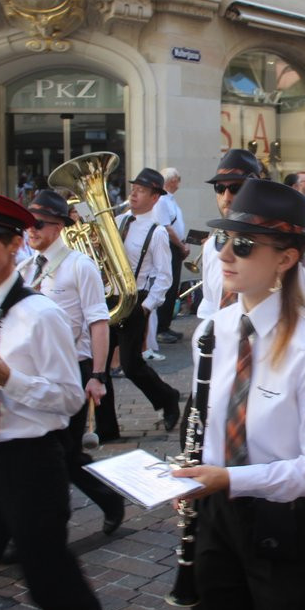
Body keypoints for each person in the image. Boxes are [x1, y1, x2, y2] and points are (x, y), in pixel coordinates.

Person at [172, 178, 305, 610]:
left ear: (286, 259)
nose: (225, 253)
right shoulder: (213, 330)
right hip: (216, 515)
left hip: (289, 525)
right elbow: (205, 422)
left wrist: (231, 479)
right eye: (222, 238)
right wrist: (193, 476)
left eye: (244, 244)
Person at [0, 190, 111, 610]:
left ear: (13, 245)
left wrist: (11, 380)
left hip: (32, 464)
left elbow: (70, 398)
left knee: (52, 583)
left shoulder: (42, 315)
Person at [18, 190, 125, 528]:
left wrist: (97, 375)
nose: (31, 230)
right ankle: (104, 502)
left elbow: (98, 322)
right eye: (27, 224)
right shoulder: (23, 268)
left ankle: (51, 526)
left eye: (38, 224)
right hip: (35, 371)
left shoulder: (80, 266)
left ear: (60, 226)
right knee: (52, 451)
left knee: (62, 452)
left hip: (72, 370)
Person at [111, 167, 181, 430]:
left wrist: (146, 306)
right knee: (98, 365)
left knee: (131, 364)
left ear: (154, 197)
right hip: (109, 295)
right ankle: (106, 427)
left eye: (141, 191)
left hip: (135, 299)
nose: (134, 194)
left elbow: (164, 276)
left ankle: (168, 397)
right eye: (133, 189)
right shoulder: (118, 221)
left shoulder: (158, 231)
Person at [199, 149, 263, 320]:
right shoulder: (211, 246)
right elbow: (209, 302)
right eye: (219, 188)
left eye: (235, 188)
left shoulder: (273, 247)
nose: (226, 197)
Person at [156, 167, 190, 345]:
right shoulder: (162, 200)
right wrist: (181, 245)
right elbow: (166, 227)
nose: (179, 182)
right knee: (167, 287)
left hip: (175, 247)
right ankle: (160, 329)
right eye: (178, 178)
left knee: (173, 286)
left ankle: (165, 325)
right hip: (170, 247)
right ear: (172, 180)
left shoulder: (169, 200)